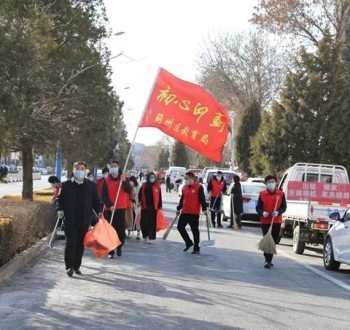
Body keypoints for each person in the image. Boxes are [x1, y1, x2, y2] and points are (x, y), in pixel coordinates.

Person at [58, 161, 101, 277]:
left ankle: (76, 266)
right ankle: (69, 267)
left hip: (84, 220)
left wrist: (100, 212)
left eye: (82, 169)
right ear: (73, 170)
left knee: (80, 244)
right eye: (77, 168)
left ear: (86, 171)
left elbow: (96, 201)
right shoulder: (66, 185)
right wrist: (60, 210)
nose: (80, 171)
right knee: (71, 243)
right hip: (70, 219)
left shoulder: (91, 185)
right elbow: (60, 200)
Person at [256, 175, 287, 269]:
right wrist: (262, 213)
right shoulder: (262, 194)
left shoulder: (281, 194)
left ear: (276, 182)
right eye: (269, 182)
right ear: (266, 184)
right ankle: (267, 260)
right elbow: (258, 208)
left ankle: (270, 259)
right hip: (265, 221)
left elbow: (284, 207)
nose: (271, 184)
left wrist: (278, 212)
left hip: (276, 221)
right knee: (267, 240)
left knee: (273, 241)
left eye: (273, 181)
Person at [102, 160, 131, 258]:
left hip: (120, 208)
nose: (114, 168)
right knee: (110, 230)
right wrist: (109, 205)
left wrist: (125, 182)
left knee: (120, 230)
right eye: (112, 166)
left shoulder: (123, 178)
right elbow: (104, 195)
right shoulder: (106, 180)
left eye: (115, 166)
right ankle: (110, 250)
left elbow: (129, 190)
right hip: (109, 209)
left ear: (118, 167)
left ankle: (119, 246)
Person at [177, 172, 207, 254]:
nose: (185, 180)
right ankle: (189, 242)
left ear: (192, 179)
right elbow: (182, 199)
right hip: (185, 211)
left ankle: (196, 247)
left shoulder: (199, 187)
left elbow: (202, 199)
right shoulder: (184, 188)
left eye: (187, 179)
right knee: (180, 227)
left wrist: (204, 208)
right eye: (185, 179)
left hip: (194, 213)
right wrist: (179, 207)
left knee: (195, 230)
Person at [138, 172, 162, 243]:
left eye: (153, 177)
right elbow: (140, 194)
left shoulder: (157, 186)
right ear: (148, 178)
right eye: (151, 177)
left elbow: (160, 196)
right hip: (145, 207)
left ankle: (150, 237)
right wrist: (140, 201)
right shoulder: (144, 185)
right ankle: (145, 235)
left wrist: (160, 205)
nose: (152, 179)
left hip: (153, 207)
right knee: (144, 222)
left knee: (151, 223)